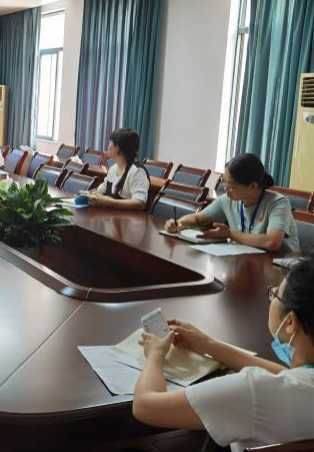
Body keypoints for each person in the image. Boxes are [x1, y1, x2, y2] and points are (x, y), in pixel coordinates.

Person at [133, 254, 314, 452]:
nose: (271, 298)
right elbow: (286, 377)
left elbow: (145, 406)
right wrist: (209, 345)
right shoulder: (297, 385)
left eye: (275, 294)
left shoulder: (255, 392)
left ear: (290, 322)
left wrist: (155, 355)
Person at [164, 153, 299, 253]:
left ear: (252, 186)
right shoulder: (228, 200)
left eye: (232, 186)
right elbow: (198, 219)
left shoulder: (278, 203)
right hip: (246, 260)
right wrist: (179, 223)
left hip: (280, 268)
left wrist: (230, 234)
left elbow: (272, 242)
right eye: (225, 182)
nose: (226, 190)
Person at [78, 128, 150, 211]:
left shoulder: (137, 172)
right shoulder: (113, 169)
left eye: (110, 142)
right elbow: (101, 190)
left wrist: (108, 202)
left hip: (126, 218)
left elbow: (140, 203)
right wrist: (90, 194)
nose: (108, 146)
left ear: (117, 148)